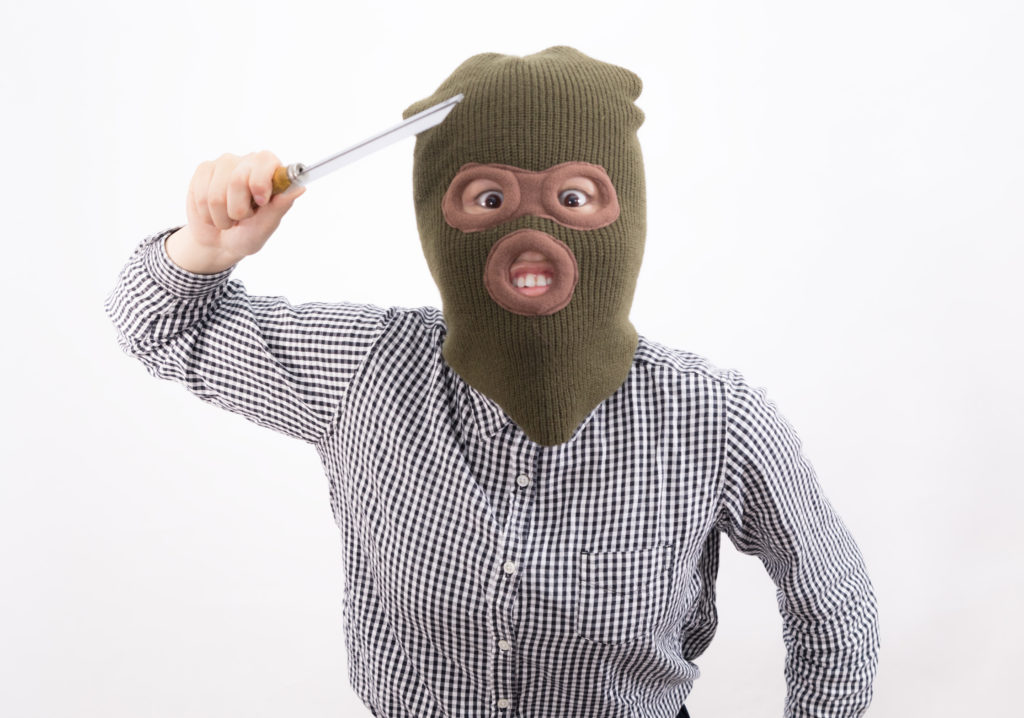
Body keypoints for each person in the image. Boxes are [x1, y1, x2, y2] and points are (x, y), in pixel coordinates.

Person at [106, 47, 879, 717]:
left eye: (573, 197)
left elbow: (834, 608)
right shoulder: (367, 371)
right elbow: (159, 325)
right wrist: (205, 249)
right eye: (488, 198)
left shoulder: (714, 417)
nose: (530, 232)